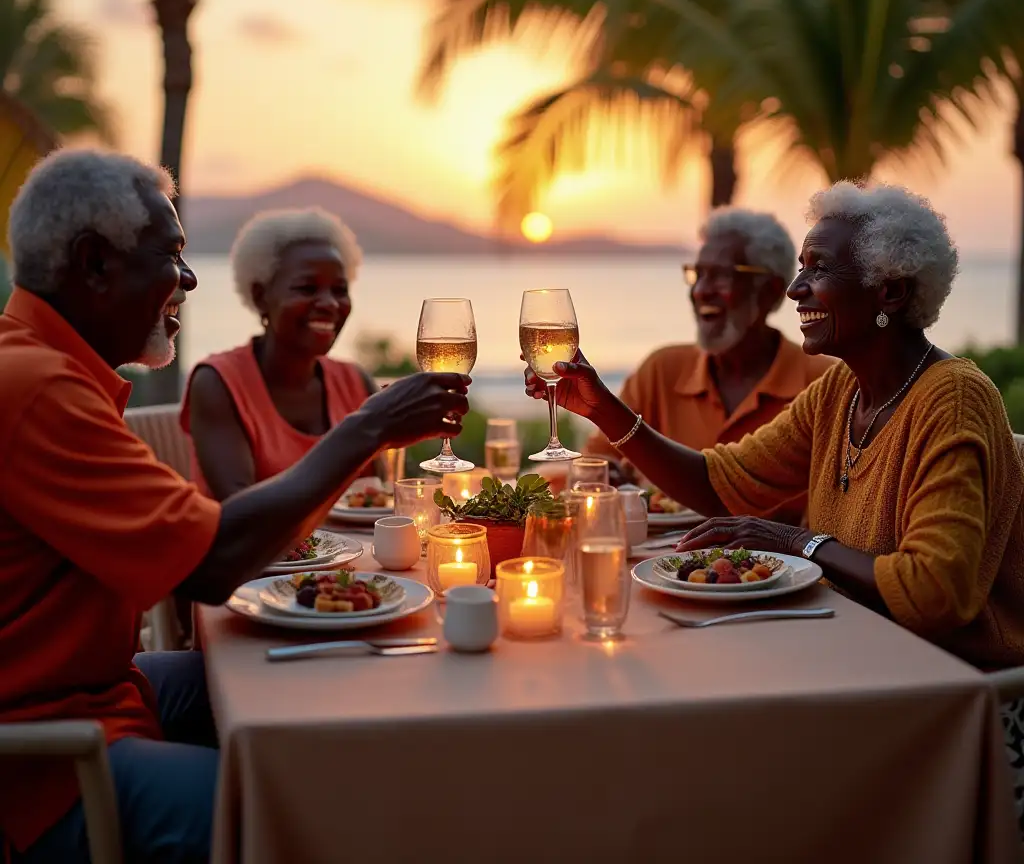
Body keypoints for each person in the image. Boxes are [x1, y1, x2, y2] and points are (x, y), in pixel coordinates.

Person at [0, 150, 469, 863]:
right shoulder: (38, 391)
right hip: (43, 766)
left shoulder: (37, 364)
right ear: (95, 265)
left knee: (313, 667)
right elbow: (214, 562)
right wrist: (364, 428)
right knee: (317, 806)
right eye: (173, 256)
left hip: (97, 690)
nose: (187, 280)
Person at [527, 182, 1024, 672]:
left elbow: (935, 592)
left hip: (944, 681)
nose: (794, 288)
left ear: (889, 291)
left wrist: (796, 543)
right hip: (846, 647)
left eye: (820, 269)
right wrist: (600, 409)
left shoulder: (953, 398)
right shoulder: (839, 393)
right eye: (802, 266)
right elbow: (722, 483)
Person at [583, 208, 833, 511]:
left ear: (769, 292)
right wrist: (608, 476)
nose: (700, 291)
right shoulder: (661, 371)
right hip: (665, 556)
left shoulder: (821, 384)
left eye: (721, 276)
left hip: (778, 559)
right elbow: (595, 464)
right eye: (698, 274)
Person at [182, 208, 381, 502]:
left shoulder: (355, 382)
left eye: (339, 289)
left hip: (357, 550)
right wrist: (357, 433)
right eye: (306, 288)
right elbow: (243, 515)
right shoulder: (218, 383)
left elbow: (381, 499)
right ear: (261, 296)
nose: (328, 303)